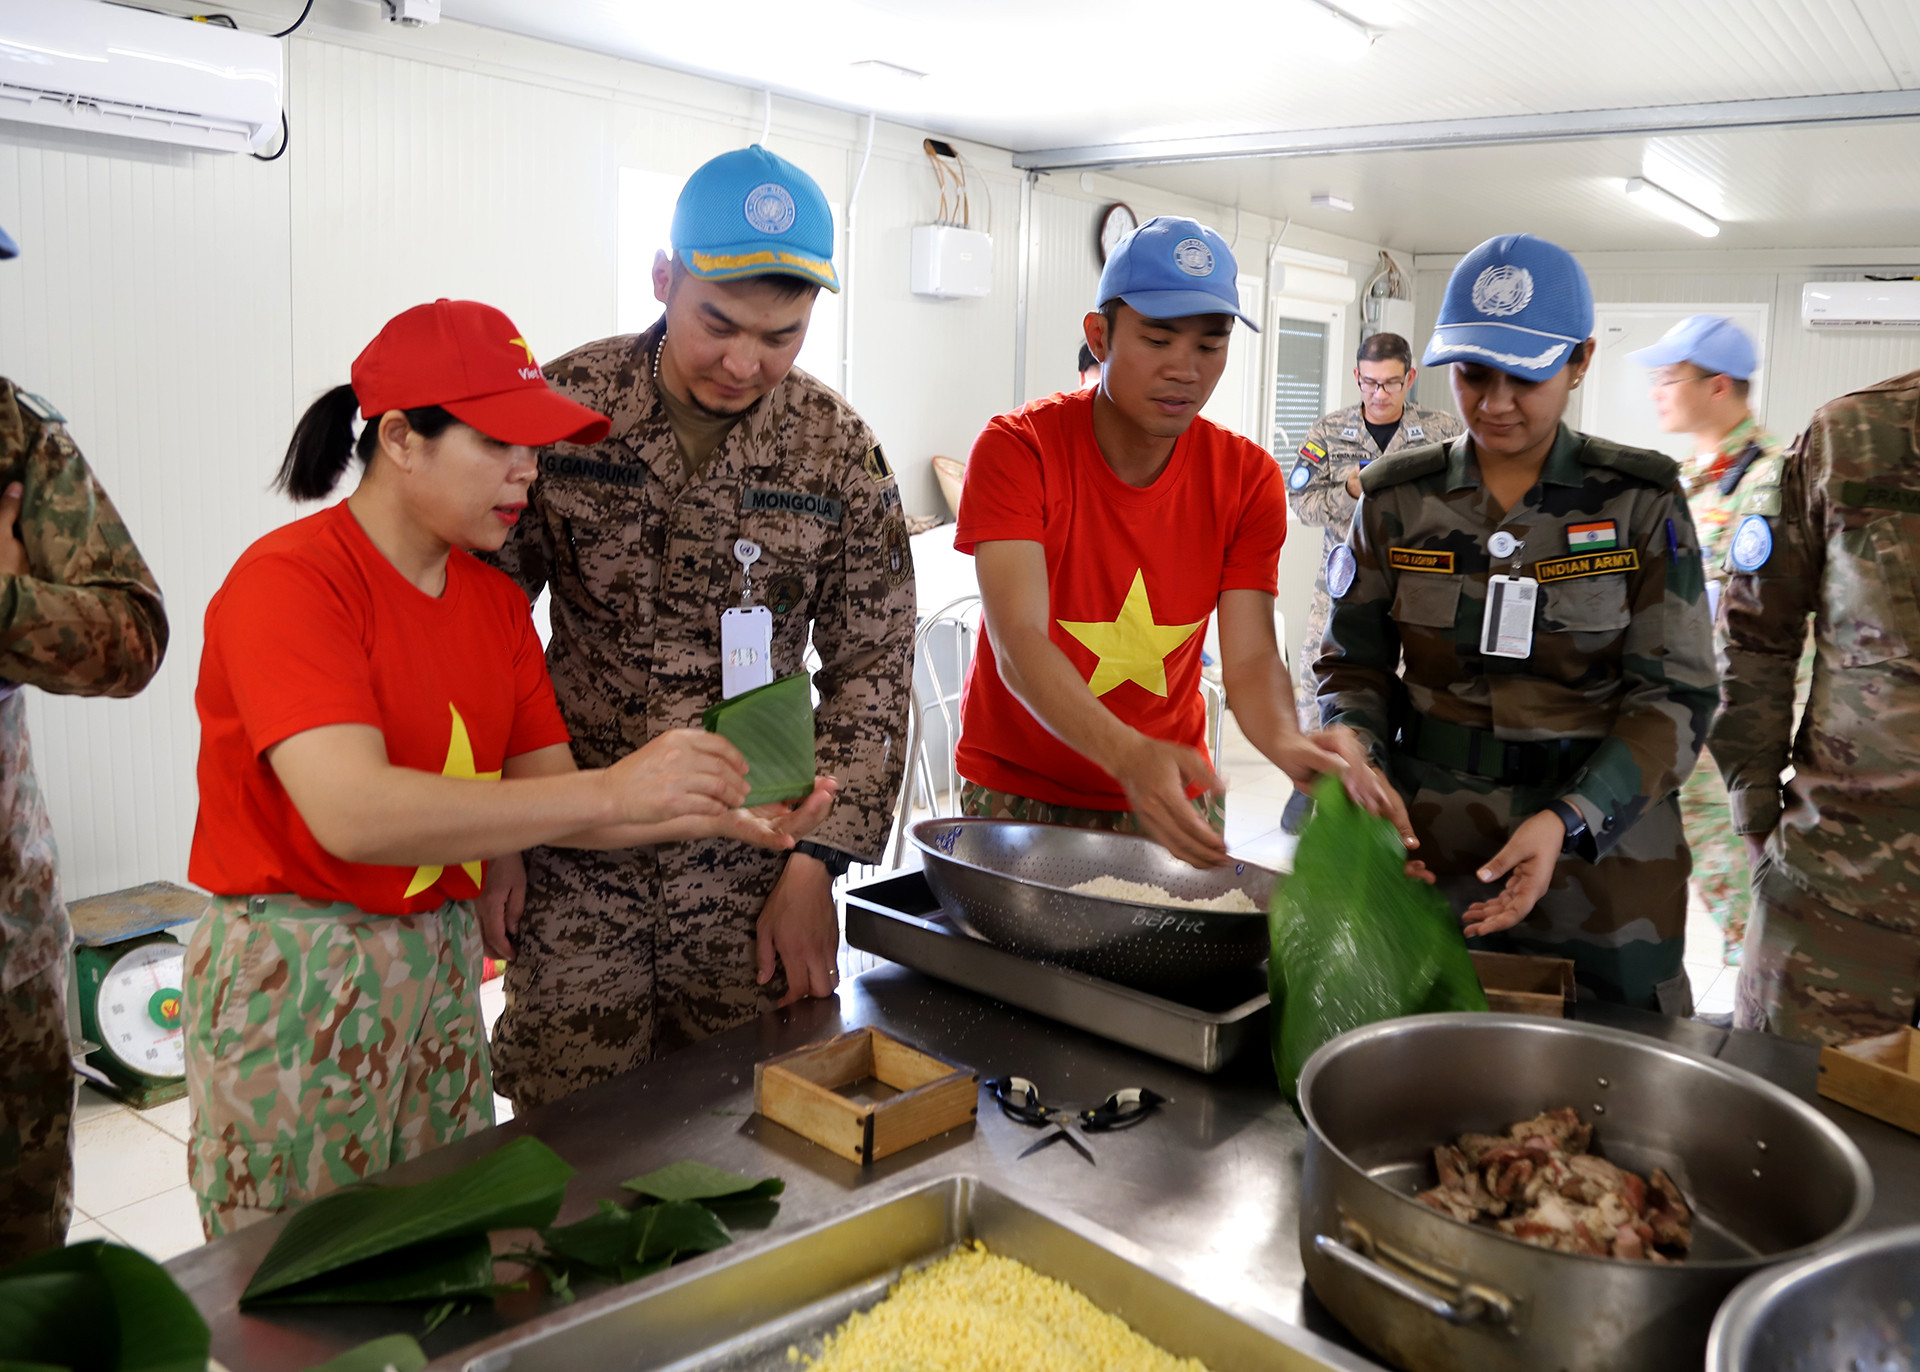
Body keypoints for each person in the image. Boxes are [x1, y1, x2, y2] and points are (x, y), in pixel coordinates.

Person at [183, 298, 833, 1236]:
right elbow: (351, 812)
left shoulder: (490, 606)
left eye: (536, 449)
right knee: (298, 1270)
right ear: (401, 439)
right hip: (302, 965)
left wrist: (715, 809)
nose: (528, 474)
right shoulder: (293, 583)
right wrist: (615, 786)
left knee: (443, 1244)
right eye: (500, 446)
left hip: (439, 963)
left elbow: (556, 806)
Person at [481, 146, 914, 1108]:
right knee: (567, 1135)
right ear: (665, 279)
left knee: (748, 1128)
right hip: (576, 850)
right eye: (719, 324)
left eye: (783, 336)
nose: (745, 362)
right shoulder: (566, 410)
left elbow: (873, 667)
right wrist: (494, 831)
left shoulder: (837, 452)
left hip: (752, 869)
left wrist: (818, 865)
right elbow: (484, 623)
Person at [1317, 233, 1716, 1012]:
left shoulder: (1639, 502)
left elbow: (1676, 697)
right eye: (1473, 374)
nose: (1496, 402)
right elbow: (1352, 668)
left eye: (1525, 377)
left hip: (1604, 864)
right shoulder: (1398, 499)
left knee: (1616, 1082)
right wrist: (1359, 760)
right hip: (1431, 854)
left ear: (1579, 362)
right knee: (1423, 1068)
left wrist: (1570, 818)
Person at [954, 216, 1406, 871]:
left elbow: (1249, 657)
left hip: (1171, 791)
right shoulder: (1020, 449)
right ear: (1099, 337)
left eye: (1209, 345)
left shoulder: (1245, 477)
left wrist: (1288, 740)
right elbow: (1019, 640)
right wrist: (1125, 752)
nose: (1184, 370)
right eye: (1158, 339)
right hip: (1020, 790)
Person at [0, 222, 168, 1264]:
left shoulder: (17, 436)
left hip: (4, 931)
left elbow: (131, 637)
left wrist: (7, 602)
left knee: (17, 1257)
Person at [1711, 367, 1920, 1046]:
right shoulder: (1853, 436)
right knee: (1783, 1129)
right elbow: (1754, 636)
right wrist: (1753, 812)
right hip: (1841, 898)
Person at [1630, 315, 1786, 963]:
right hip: (1678, 697)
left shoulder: (1769, 480)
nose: (1657, 390)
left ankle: (1759, 980)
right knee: (1702, 841)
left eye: (1670, 378)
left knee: (1728, 844)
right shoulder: (1688, 478)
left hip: (1723, 713)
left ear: (1718, 385)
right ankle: (1750, 970)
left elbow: (1767, 619)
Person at [1284, 332, 1464, 828]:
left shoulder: (1443, 431)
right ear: (1357, 378)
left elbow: (1462, 505)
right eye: (1369, 383)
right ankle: (1315, 786)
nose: (1379, 394)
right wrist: (1351, 487)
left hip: (1417, 586)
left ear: (1409, 379)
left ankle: (1391, 786)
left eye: (1389, 383)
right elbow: (1302, 503)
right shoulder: (1329, 431)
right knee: (1321, 686)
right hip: (1341, 589)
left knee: (1409, 685)